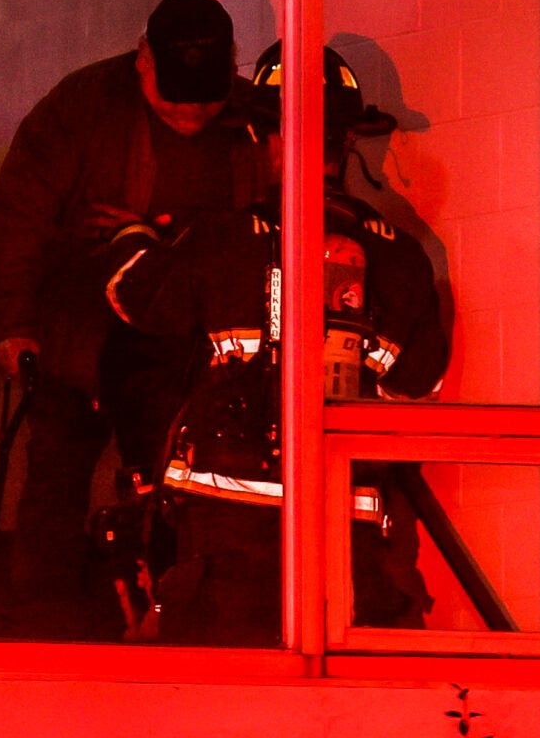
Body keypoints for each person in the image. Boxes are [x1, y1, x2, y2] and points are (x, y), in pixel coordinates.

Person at [99, 44, 450, 646]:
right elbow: (420, 391)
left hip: (223, 548)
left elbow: (134, 297)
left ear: (265, 137)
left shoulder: (221, 239)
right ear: (349, 141)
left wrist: (131, 233)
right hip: (348, 546)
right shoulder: (403, 258)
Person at [0, 0, 262, 638]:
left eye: (204, 102)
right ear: (143, 61)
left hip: (192, 347)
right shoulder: (80, 108)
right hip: (82, 334)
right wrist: (13, 324)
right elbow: (17, 217)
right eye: (175, 100)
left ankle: (179, 622)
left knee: (186, 492)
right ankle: (43, 626)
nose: (190, 115)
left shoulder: (252, 119)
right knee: (57, 475)